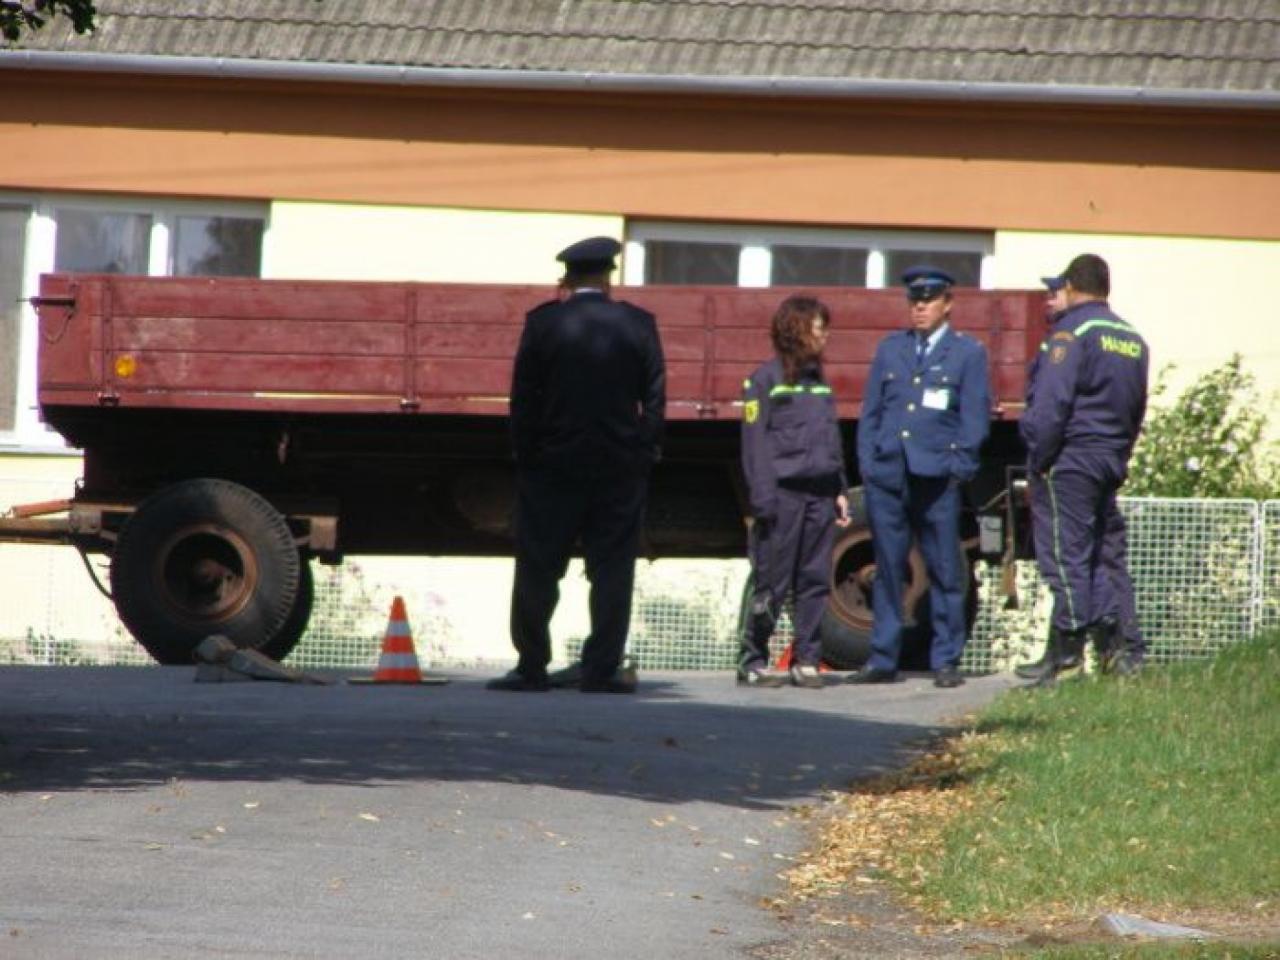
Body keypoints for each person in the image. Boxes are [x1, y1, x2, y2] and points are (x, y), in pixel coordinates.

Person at [488, 236, 666, 693]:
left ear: (567, 278)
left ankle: (531, 666)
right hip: (618, 468)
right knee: (612, 570)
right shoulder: (638, 324)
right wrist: (642, 452)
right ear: (608, 277)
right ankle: (601, 669)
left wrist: (527, 456)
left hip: (553, 466)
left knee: (538, 566)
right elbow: (654, 398)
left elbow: (523, 399)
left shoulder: (543, 324)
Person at [850, 267, 991, 689]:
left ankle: (945, 660)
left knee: (945, 569)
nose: (920, 308)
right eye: (914, 301)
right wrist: (869, 464)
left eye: (928, 301)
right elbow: (871, 413)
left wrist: (958, 468)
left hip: (936, 477)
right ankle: (883, 658)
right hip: (889, 475)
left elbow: (974, 418)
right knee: (888, 568)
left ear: (947, 304)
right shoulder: (891, 349)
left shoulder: (967, 353)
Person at [1018, 253, 1148, 685]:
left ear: (1073, 287)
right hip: (1109, 459)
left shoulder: (1071, 333)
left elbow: (1051, 404)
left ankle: (1068, 659)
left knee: (1065, 557)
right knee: (1101, 557)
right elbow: (1136, 407)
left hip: (1070, 459)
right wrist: (1119, 455)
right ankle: (1116, 650)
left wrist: (1040, 457)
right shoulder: (1132, 338)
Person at [738, 296, 852, 688]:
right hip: (781, 497)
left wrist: (839, 488)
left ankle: (807, 660)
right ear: (798, 330)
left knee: (815, 580)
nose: (826, 336)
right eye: (820, 328)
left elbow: (830, 439)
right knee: (772, 582)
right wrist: (763, 499)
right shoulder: (764, 381)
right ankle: (753, 659)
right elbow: (754, 446)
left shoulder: (818, 383)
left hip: (819, 495)